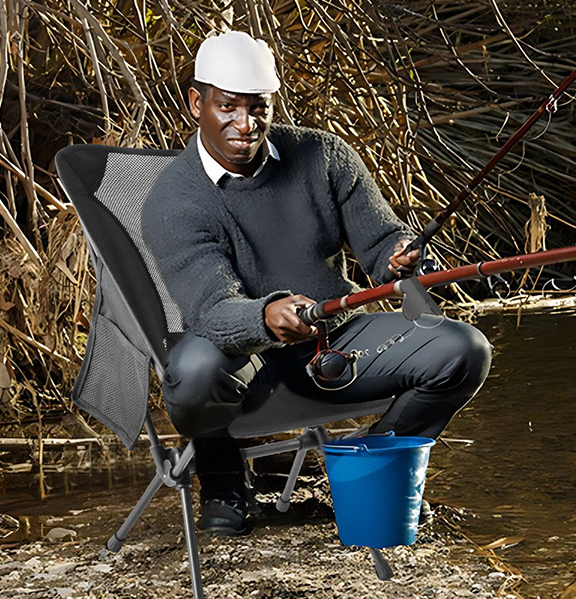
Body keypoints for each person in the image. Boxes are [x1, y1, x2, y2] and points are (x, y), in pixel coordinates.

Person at [140, 31, 492, 536]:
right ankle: (223, 481)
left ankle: (366, 473)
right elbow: (212, 309)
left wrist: (398, 255)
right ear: (198, 103)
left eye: (258, 108)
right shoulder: (173, 201)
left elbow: (381, 242)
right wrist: (266, 315)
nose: (245, 124)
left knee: (464, 350)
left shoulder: (324, 156)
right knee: (191, 368)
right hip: (244, 359)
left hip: (336, 342)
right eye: (228, 108)